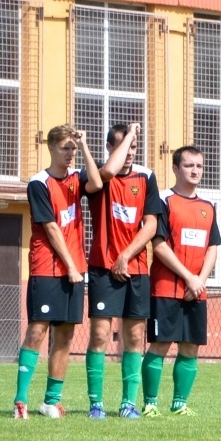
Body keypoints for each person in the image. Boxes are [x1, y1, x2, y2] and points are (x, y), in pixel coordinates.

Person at [13, 125, 101, 419]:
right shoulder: (38, 183)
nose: (70, 154)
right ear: (50, 148)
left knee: (65, 336)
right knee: (37, 331)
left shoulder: (78, 178)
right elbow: (51, 228)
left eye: (73, 149)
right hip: (47, 269)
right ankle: (20, 401)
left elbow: (98, 183)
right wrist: (72, 267)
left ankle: (51, 401)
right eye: (65, 148)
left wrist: (86, 145)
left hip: (75, 271)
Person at [81, 122, 164, 419]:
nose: (129, 152)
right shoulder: (95, 178)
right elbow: (105, 173)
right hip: (102, 267)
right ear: (109, 148)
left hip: (136, 268)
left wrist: (126, 256)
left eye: (133, 147)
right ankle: (96, 404)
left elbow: (151, 224)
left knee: (134, 336)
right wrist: (130, 133)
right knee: (100, 335)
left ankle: (129, 403)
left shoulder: (146, 177)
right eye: (123, 147)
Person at [141, 146, 221, 417]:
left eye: (199, 165)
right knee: (160, 344)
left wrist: (199, 280)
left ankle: (179, 404)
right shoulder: (164, 200)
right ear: (175, 169)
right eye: (189, 165)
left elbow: (213, 246)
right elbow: (159, 246)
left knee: (190, 346)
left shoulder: (208, 206)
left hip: (196, 290)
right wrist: (189, 278)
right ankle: (150, 403)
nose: (195, 170)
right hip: (165, 288)